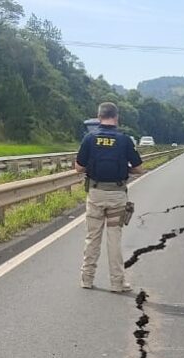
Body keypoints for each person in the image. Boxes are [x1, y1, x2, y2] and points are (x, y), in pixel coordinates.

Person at [75, 103, 144, 292]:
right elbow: (139, 168)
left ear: (99, 118)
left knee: (92, 238)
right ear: (116, 117)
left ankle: (86, 279)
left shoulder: (90, 138)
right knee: (114, 239)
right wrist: (124, 168)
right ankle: (117, 283)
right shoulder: (124, 140)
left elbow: (79, 167)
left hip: (95, 194)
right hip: (117, 196)